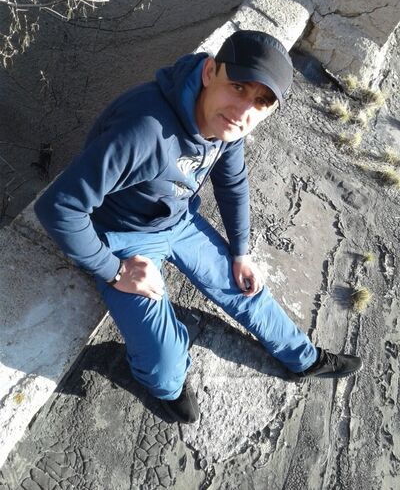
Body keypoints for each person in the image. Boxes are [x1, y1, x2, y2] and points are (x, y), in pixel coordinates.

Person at [34, 30, 362, 424]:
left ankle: (304, 360)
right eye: (238, 86)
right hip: (123, 235)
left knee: (246, 287)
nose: (243, 110)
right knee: (164, 361)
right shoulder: (144, 131)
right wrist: (114, 270)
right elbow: (59, 207)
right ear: (209, 72)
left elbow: (232, 183)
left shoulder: (228, 126)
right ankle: (166, 383)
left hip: (179, 220)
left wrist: (240, 251)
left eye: (261, 101)